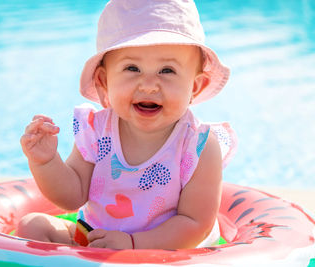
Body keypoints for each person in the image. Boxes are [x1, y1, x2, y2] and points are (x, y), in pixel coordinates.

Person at [17, 0, 237, 250]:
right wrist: (45, 162)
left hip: (166, 251)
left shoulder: (198, 146)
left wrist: (133, 244)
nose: (149, 85)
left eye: (167, 70)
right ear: (104, 80)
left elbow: (195, 223)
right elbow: (72, 196)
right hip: (95, 238)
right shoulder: (98, 130)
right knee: (32, 225)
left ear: (195, 87)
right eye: (132, 68)